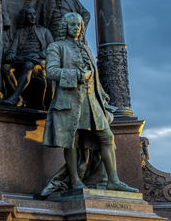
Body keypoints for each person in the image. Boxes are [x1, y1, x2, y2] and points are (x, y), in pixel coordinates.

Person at [39, 12, 134, 197]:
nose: (77, 28)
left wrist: (103, 98)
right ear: (65, 27)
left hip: (92, 101)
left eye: (79, 25)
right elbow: (50, 72)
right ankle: (75, 180)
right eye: (73, 25)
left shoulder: (86, 49)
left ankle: (113, 180)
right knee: (71, 141)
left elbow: (95, 77)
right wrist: (76, 75)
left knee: (106, 137)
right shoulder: (56, 47)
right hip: (69, 100)